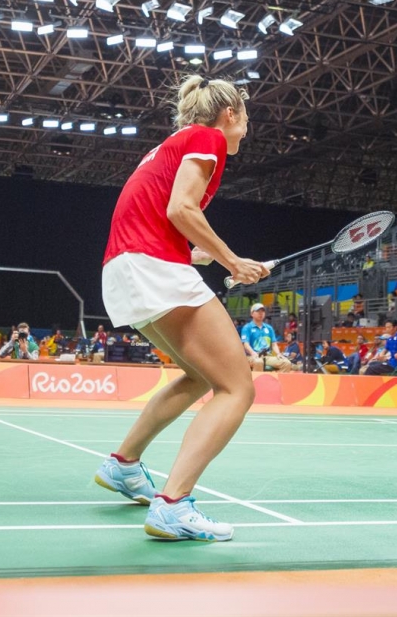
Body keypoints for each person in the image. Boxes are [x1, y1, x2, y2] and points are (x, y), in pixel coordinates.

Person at [93, 75, 269, 542]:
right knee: (237, 387)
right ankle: (173, 505)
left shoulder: (171, 144)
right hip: (150, 269)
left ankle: (123, 465)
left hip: (123, 270)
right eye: (246, 119)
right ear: (230, 114)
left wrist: (195, 255)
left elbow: (155, 218)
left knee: (199, 377)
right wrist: (233, 262)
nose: (245, 130)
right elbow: (181, 210)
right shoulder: (208, 137)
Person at [240, 303, 293, 372]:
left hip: (267, 356)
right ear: (252, 314)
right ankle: (257, 382)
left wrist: (278, 354)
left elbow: (274, 344)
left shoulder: (269, 328)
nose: (261, 313)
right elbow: (245, 344)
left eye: (262, 311)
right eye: (258, 311)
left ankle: (276, 382)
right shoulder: (247, 327)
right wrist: (252, 353)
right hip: (251, 356)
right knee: (258, 362)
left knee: (286, 363)